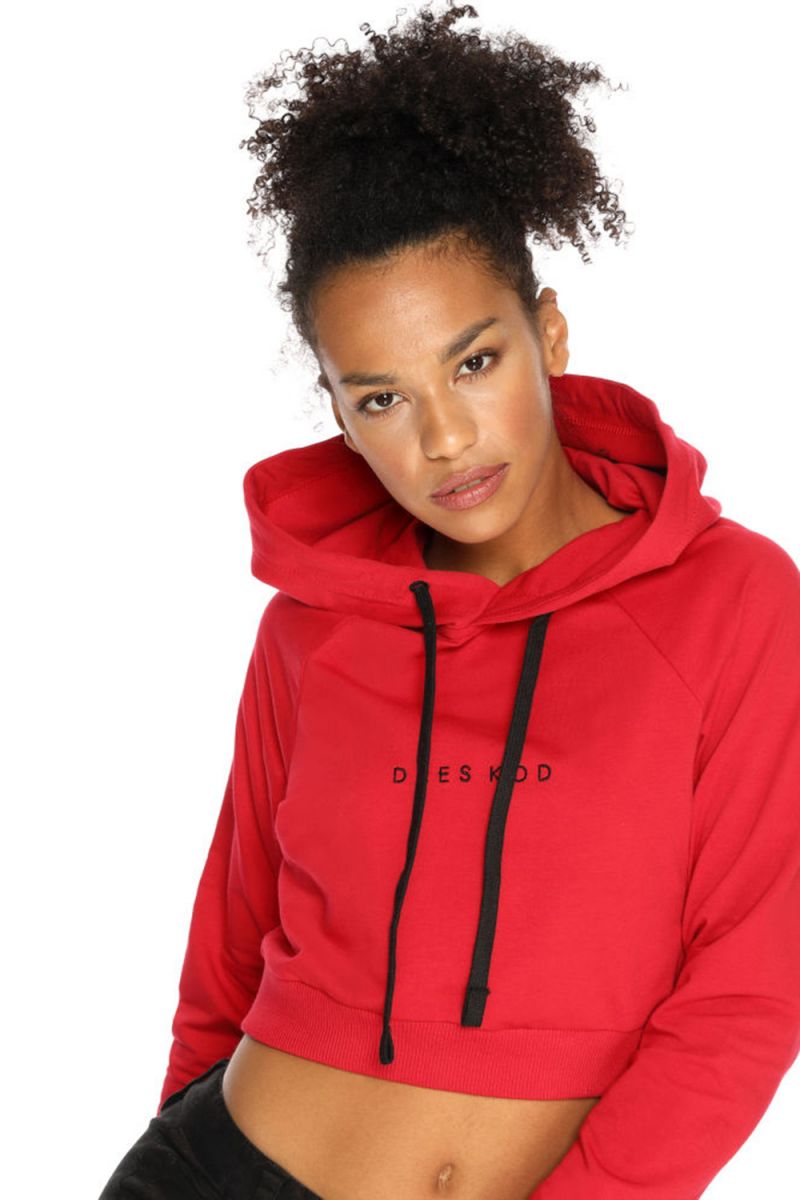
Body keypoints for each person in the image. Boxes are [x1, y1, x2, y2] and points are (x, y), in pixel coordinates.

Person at [98, 3, 800, 1198]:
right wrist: (177, 1107)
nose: (441, 437)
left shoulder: (731, 602)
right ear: (337, 412)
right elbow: (231, 934)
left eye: (473, 362)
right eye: (379, 397)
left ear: (548, 333)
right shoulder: (310, 625)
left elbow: (747, 989)